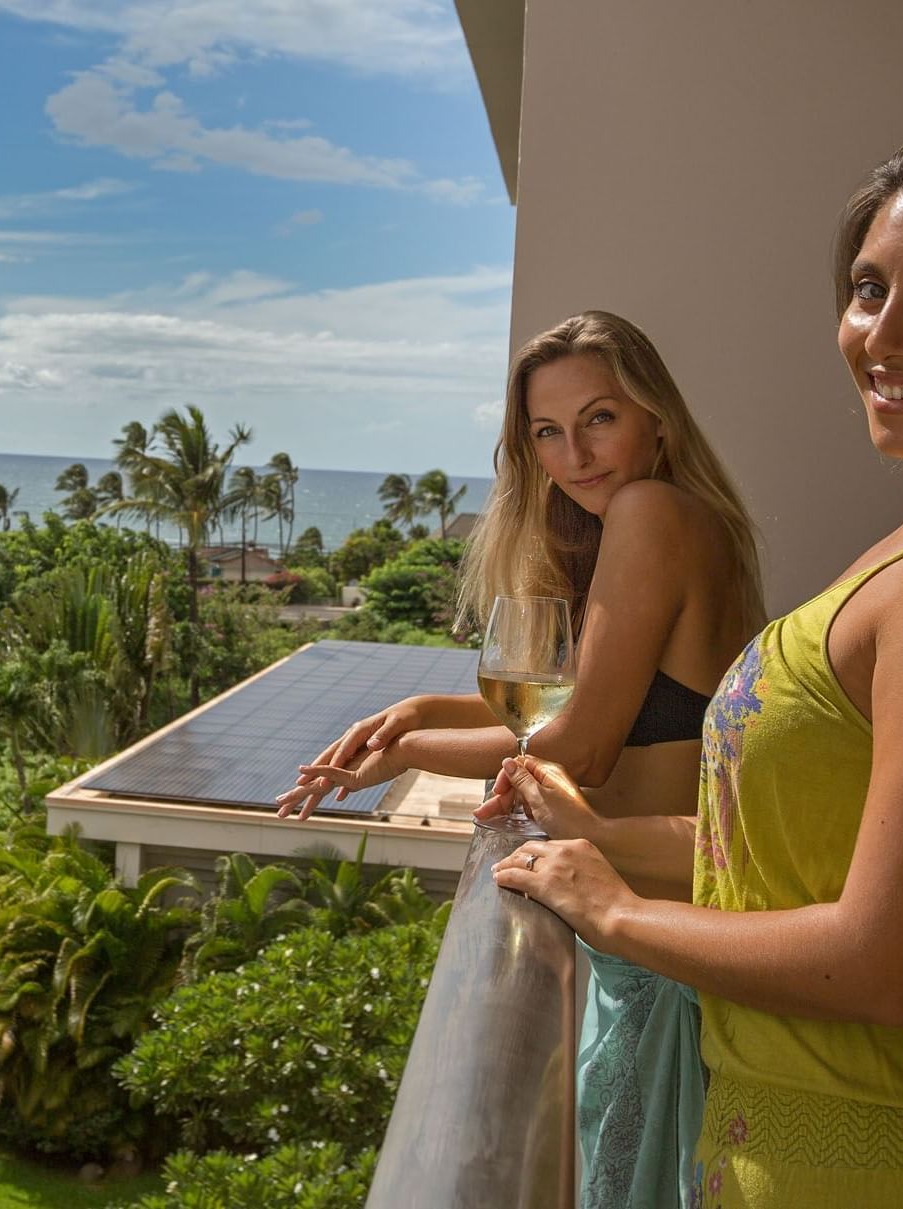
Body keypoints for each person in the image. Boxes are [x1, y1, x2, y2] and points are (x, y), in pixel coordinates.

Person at [494, 122, 903, 1208]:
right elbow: (805, 865)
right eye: (867, 288)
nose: (881, 335)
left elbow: (882, 964)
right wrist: (604, 841)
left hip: (882, 1163)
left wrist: (612, 909)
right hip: (779, 1146)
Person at [275, 309, 765, 1209]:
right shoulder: (679, 517)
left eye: (600, 417)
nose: (574, 452)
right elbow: (590, 703)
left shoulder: (651, 512)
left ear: (656, 415)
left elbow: (580, 741)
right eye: (547, 431)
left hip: (648, 933)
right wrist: (421, 707)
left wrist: (408, 752)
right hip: (646, 916)